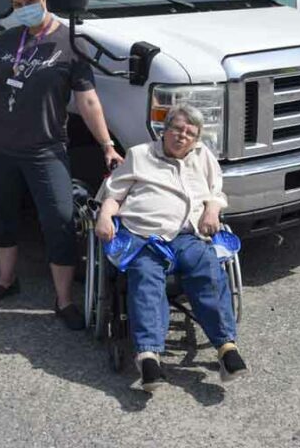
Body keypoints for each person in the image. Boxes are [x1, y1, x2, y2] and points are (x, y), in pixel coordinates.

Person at [0, 0, 122, 330]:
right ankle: (6, 281)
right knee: (2, 214)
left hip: (45, 149)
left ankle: (64, 300)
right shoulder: (6, 39)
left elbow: (88, 102)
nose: (23, 10)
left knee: (59, 221)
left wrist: (107, 145)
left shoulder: (71, 44)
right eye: (17, 5)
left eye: (29, 2)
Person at [95, 103, 247, 392]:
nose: (182, 136)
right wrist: (104, 215)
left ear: (197, 139)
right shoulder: (140, 155)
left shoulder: (203, 158)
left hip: (187, 235)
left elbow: (215, 192)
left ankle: (227, 348)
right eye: (176, 129)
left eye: (189, 133)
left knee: (208, 268)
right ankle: (149, 356)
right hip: (145, 237)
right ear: (164, 131)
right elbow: (113, 194)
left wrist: (212, 210)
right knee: (146, 276)